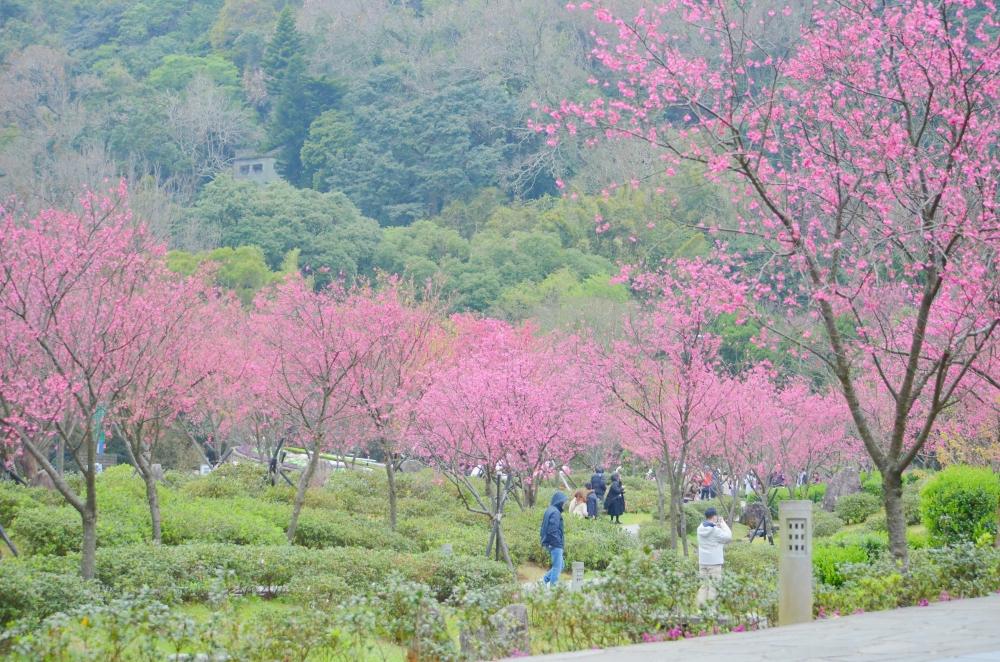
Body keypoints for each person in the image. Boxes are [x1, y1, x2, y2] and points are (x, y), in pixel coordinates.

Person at [696, 506, 732, 607]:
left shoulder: (699, 528)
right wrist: (723, 523)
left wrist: (717, 525)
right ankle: (710, 611)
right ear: (714, 517)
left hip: (703, 562)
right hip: (714, 563)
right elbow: (728, 537)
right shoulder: (715, 530)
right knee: (713, 587)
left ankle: (700, 609)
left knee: (703, 586)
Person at [540, 491, 567, 586]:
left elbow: (543, 527)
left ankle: (543, 580)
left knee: (561, 565)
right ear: (559, 501)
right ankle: (553, 589)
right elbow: (552, 530)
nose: (564, 504)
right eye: (564, 502)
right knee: (557, 567)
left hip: (550, 542)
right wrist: (558, 544)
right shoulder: (555, 512)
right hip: (555, 544)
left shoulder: (550, 510)